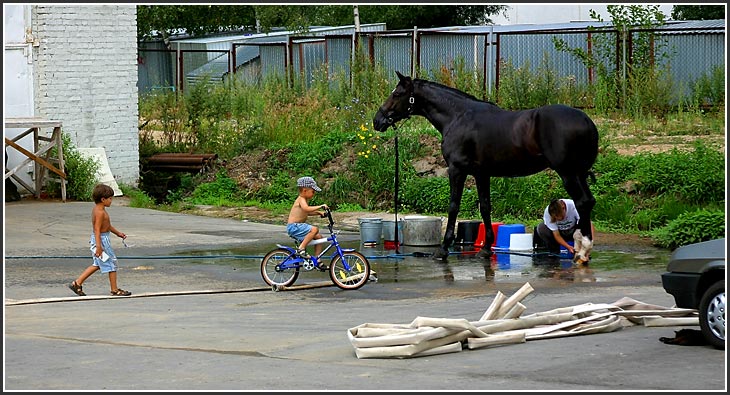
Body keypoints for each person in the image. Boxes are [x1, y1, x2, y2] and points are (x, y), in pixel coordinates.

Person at [68, 183, 131, 296]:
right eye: (110, 198)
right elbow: (97, 229)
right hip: (101, 240)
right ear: (103, 199)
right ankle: (114, 289)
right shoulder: (100, 212)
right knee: (111, 263)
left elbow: (107, 225)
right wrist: (99, 246)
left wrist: (118, 233)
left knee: (97, 264)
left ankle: (77, 283)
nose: (111, 201)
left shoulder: (99, 209)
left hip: (102, 237)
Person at [287, 176, 328, 262]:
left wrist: (319, 212)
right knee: (314, 229)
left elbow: (307, 212)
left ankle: (317, 258)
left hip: (298, 227)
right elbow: (306, 209)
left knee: (319, 237)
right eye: (313, 191)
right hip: (294, 227)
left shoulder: (304, 200)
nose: (314, 194)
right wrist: (320, 206)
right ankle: (301, 248)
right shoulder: (301, 199)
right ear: (305, 190)